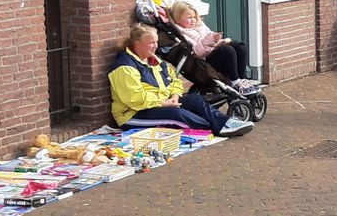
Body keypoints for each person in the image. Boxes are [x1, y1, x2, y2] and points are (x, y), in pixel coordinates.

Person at [108, 25, 253, 137]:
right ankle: (216, 128)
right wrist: (164, 103)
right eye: (151, 43)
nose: (156, 46)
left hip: (161, 103)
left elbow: (175, 81)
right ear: (137, 44)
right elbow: (134, 98)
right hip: (132, 115)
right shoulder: (125, 67)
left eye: (156, 42)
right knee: (178, 116)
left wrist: (175, 95)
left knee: (195, 100)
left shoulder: (156, 60)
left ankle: (225, 122)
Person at [169, 1, 258, 93]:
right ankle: (234, 82)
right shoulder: (182, 33)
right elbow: (197, 52)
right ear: (178, 19)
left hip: (214, 50)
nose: (193, 20)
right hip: (207, 61)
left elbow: (209, 36)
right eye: (189, 18)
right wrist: (211, 39)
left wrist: (218, 40)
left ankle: (242, 79)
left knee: (241, 47)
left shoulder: (200, 25)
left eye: (194, 17)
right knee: (228, 50)